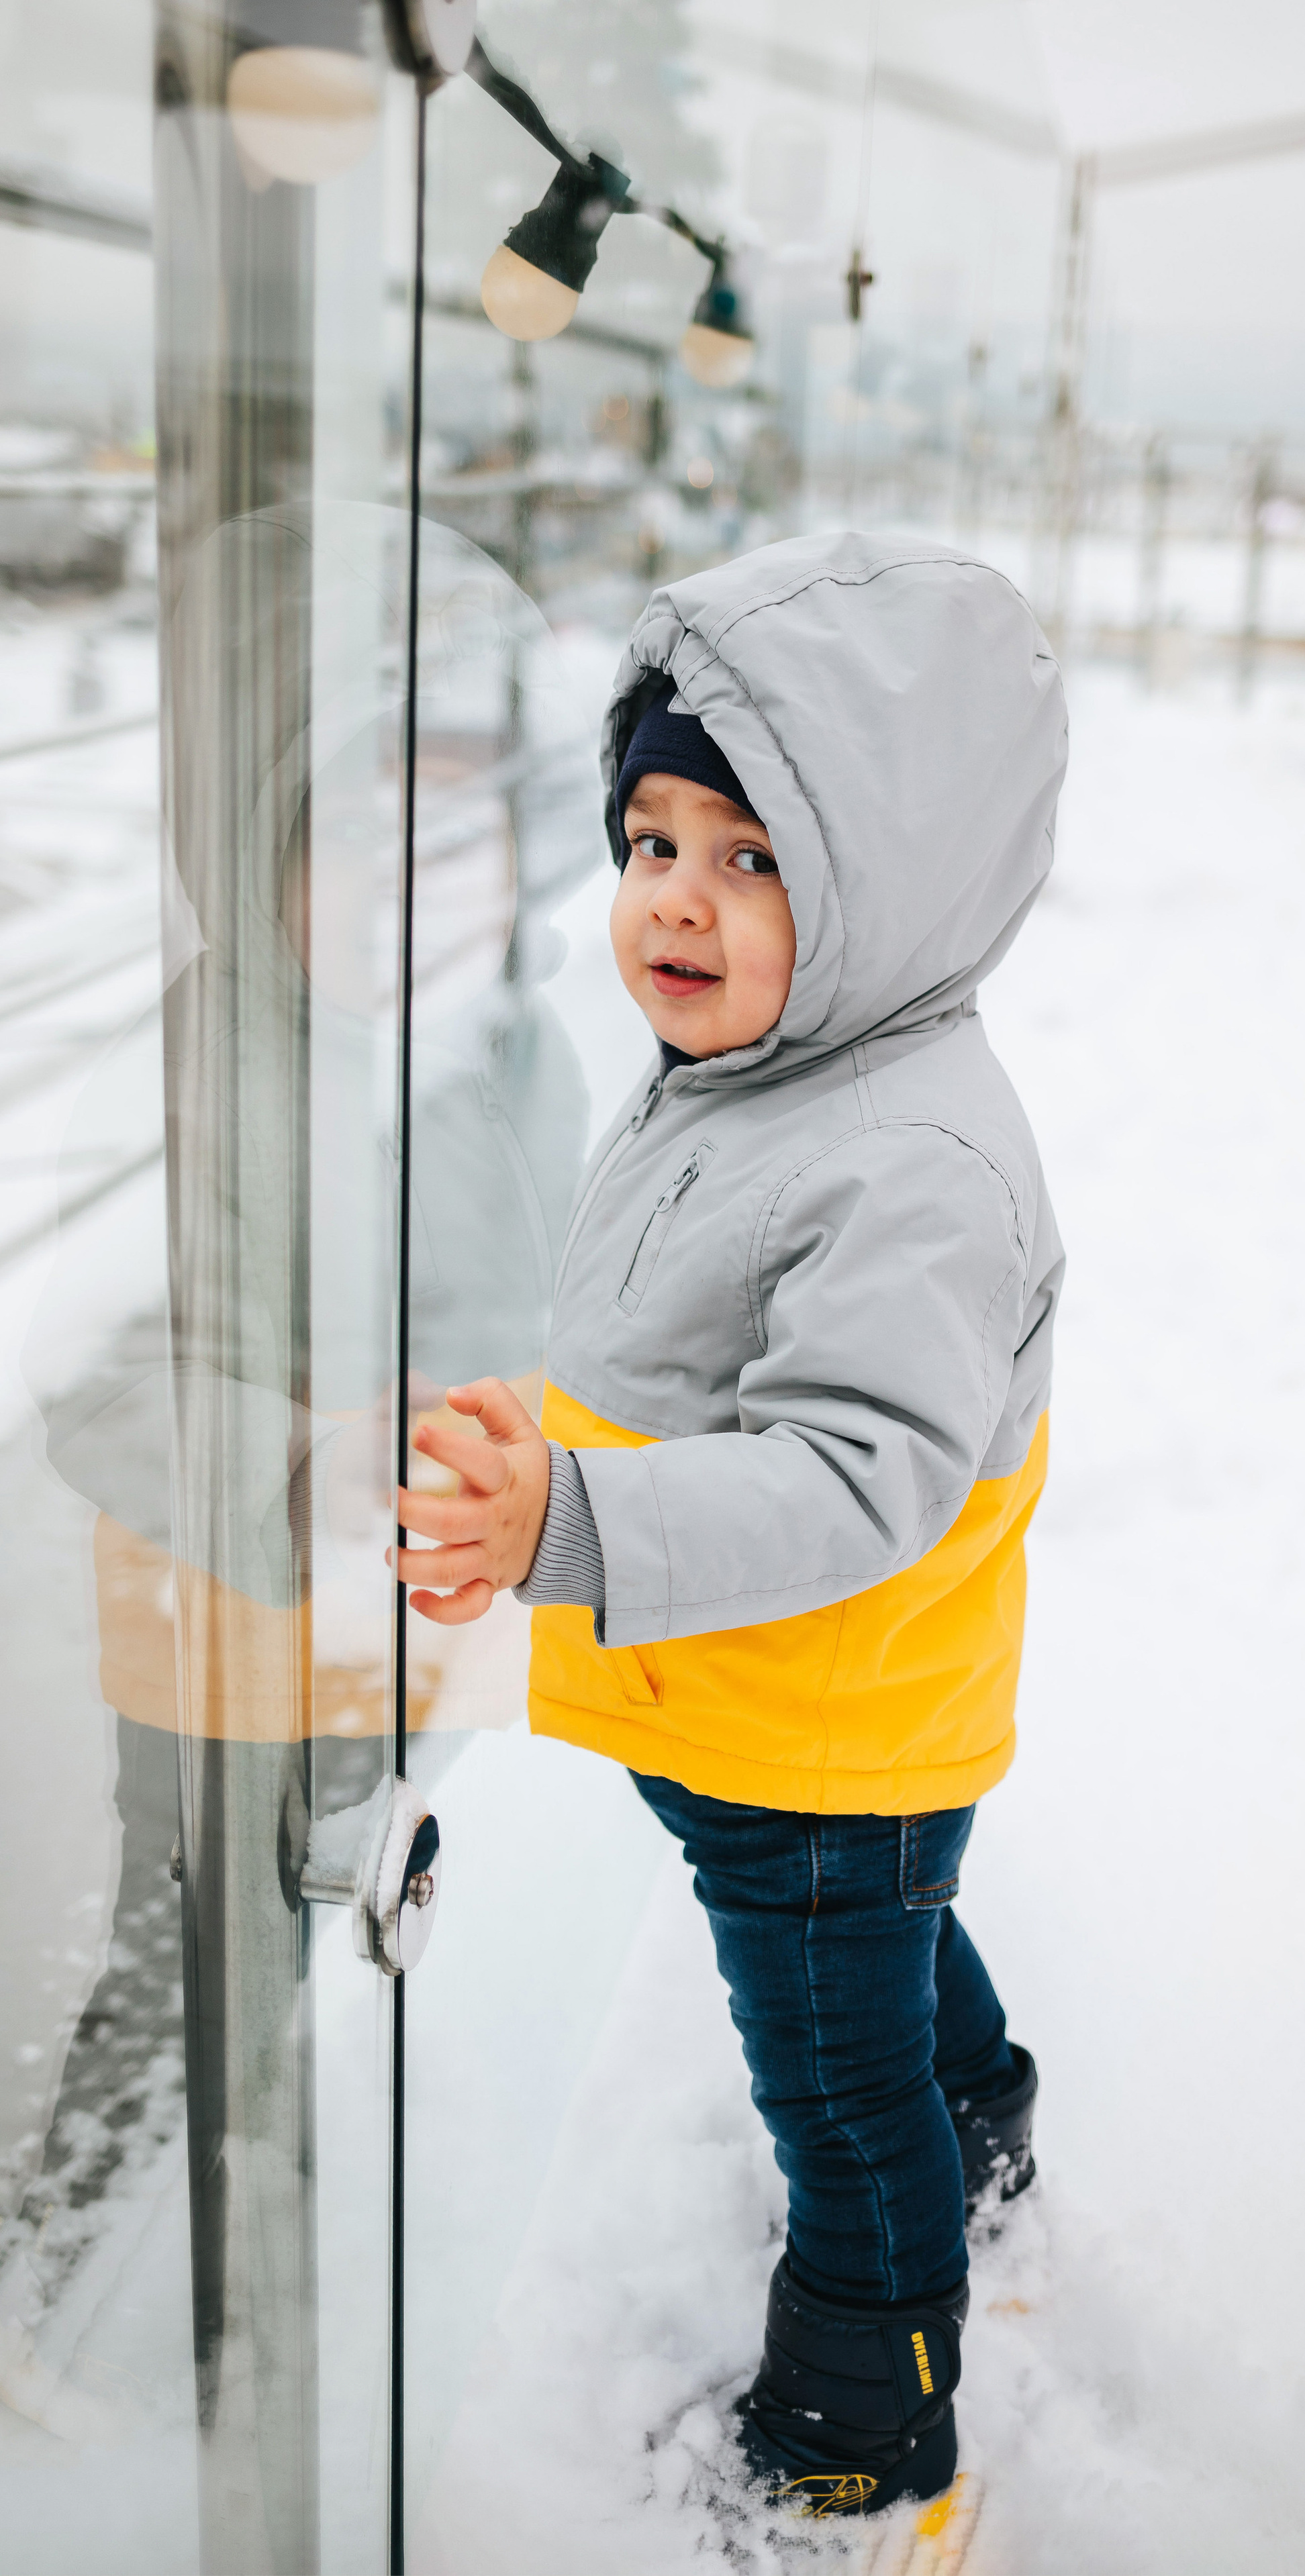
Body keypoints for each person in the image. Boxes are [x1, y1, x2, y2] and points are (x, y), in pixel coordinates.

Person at [395, 532, 1067, 2520]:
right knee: (877, 1965)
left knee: (837, 2096)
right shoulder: (759, 1075)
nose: (677, 898)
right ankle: (983, 2107)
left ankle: (869, 2419)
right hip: (757, 1701)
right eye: (654, 840)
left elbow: (857, 1474)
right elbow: (697, 1354)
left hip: (822, 1727)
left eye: (755, 855)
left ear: (894, 881)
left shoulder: (914, 1160)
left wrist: (573, 1512)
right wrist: (552, 1443)